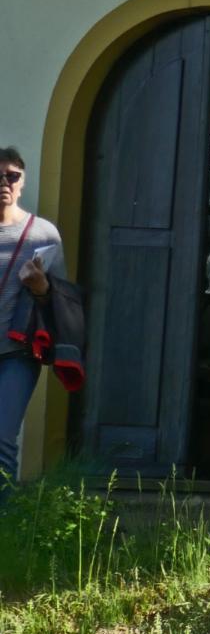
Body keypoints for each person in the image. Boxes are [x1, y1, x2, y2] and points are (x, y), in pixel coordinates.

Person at [0, 146, 66, 490]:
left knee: (1, 442)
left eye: (12, 176)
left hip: (17, 355)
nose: (5, 183)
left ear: (22, 182)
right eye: (0, 176)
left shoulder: (43, 234)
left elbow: (61, 302)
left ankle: (4, 533)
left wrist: (41, 289)